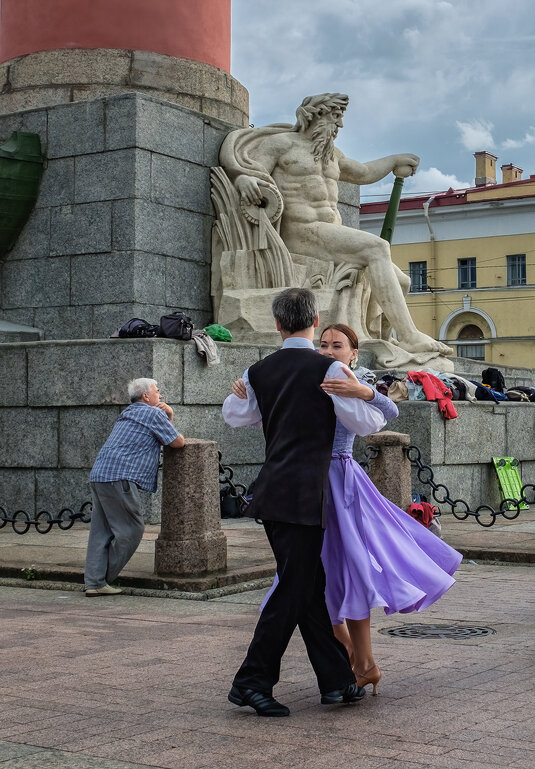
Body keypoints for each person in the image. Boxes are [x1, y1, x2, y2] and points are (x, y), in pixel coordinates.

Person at [233, 324, 462, 695]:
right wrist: (249, 393)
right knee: (320, 579)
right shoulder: (314, 374)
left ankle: (361, 663)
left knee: (350, 571)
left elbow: (390, 411)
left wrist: (365, 390)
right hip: (312, 484)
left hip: (341, 482)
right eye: (323, 344)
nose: (328, 350)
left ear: (354, 353)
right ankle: (351, 663)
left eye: (337, 345)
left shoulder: (350, 379)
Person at [222, 288, 386, 717]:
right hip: (307, 494)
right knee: (295, 590)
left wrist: (243, 390)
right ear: (315, 320)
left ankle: (337, 682)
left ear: (277, 324)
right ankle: (251, 682)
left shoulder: (258, 370)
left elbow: (235, 416)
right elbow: (367, 424)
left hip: (274, 490)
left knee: (309, 588)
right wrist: (364, 394)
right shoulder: (328, 367)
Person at [219, 92, 452, 360]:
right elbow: (247, 170)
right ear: (313, 116)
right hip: (300, 232)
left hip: (330, 236)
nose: (339, 126)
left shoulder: (332, 156)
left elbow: (363, 173)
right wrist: (241, 179)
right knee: (377, 247)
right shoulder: (281, 145)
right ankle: (411, 337)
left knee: (403, 280)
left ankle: (390, 341)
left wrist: (393, 161)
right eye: (335, 117)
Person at [84, 378, 184, 597]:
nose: (160, 396)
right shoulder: (152, 413)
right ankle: (102, 578)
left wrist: (167, 417)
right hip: (120, 477)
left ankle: (94, 582)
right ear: (146, 396)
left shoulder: (128, 413)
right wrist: (170, 414)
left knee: (101, 532)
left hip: (101, 473)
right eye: (157, 392)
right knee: (132, 529)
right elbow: (178, 442)